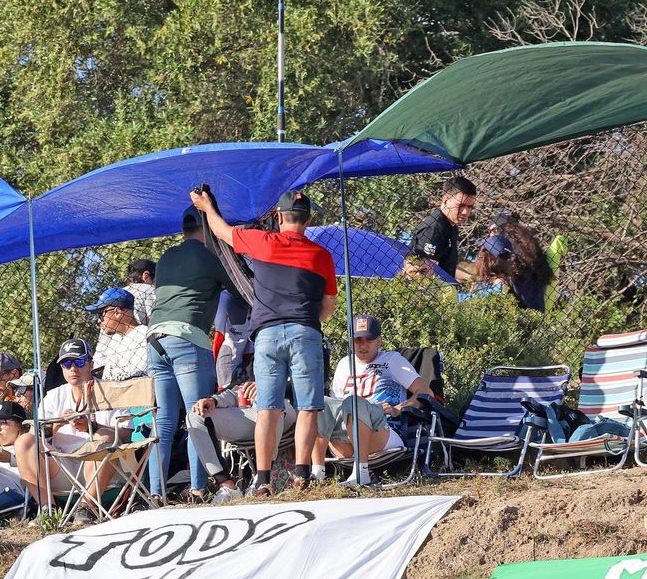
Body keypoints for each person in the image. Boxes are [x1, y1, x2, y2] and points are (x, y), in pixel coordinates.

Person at [191, 188, 337, 494]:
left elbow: (221, 231)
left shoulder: (263, 242)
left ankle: (262, 480)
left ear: (279, 217)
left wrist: (206, 206)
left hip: (267, 336)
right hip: (305, 332)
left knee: (267, 408)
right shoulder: (322, 256)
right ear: (308, 220)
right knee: (308, 407)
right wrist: (306, 320)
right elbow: (328, 307)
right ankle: (301, 476)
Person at [147, 206, 241, 502]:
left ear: (183, 230)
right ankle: (199, 488)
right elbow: (239, 288)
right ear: (209, 228)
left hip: (155, 338)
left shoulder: (166, 257)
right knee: (196, 414)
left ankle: (155, 493)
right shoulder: (211, 257)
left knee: (164, 420)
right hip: (187, 338)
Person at [13, 339, 128, 510]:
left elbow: (126, 434)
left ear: (91, 364)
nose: (73, 368)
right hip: (64, 468)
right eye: (66, 363)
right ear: (62, 368)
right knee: (24, 441)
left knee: (106, 437)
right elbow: (35, 436)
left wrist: (91, 427)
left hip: (104, 469)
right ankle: (48, 509)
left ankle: (87, 507)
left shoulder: (110, 391)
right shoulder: (54, 396)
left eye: (79, 362)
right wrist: (58, 423)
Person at [314, 315, 430, 484]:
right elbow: (334, 406)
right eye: (358, 340)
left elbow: (425, 391)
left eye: (369, 339)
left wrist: (399, 408)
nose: (363, 345)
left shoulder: (392, 360)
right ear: (351, 341)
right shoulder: (344, 364)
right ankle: (317, 473)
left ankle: (362, 473)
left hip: (383, 431)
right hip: (345, 437)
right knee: (319, 403)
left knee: (353, 402)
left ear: (379, 341)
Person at [411, 175, 476, 283]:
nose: (465, 212)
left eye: (470, 207)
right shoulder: (434, 228)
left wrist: (470, 277)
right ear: (445, 200)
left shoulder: (451, 225)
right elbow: (423, 272)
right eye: (461, 205)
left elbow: (445, 266)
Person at [88, 287, 149, 382]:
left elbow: (140, 379)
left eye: (101, 314)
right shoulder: (114, 341)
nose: (99, 321)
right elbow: (107, 381)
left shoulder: (144, 336)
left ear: (117, 312)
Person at [126, 259, 158, 324]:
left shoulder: (121, 291)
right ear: (146, 275)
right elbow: (153, 319)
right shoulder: (149, 289)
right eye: (156, 279)